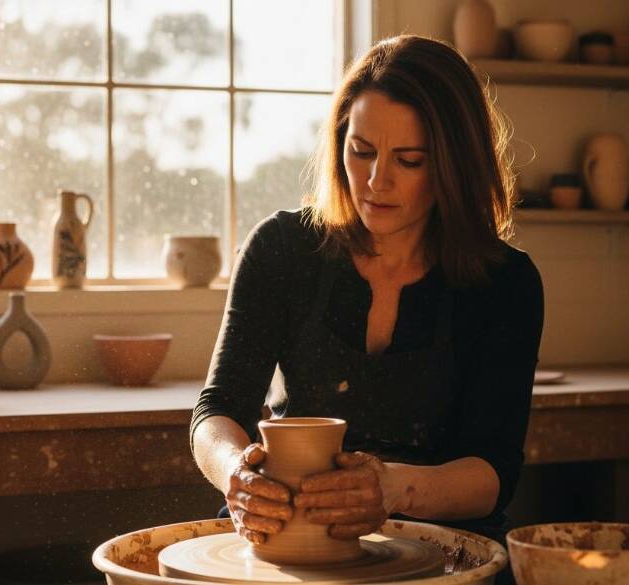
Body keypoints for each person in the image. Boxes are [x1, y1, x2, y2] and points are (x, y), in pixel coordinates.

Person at [190, 34, 543, 582]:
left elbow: (493, 470)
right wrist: (236, 472)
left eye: (409, 160)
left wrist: (394, 488)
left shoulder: (503, 281)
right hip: (286, 536)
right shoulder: (284, 249)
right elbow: (217, 411)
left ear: (454, 165)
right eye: (362, 151)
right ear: (339, 145)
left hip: (441, 547)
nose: (377, 181)